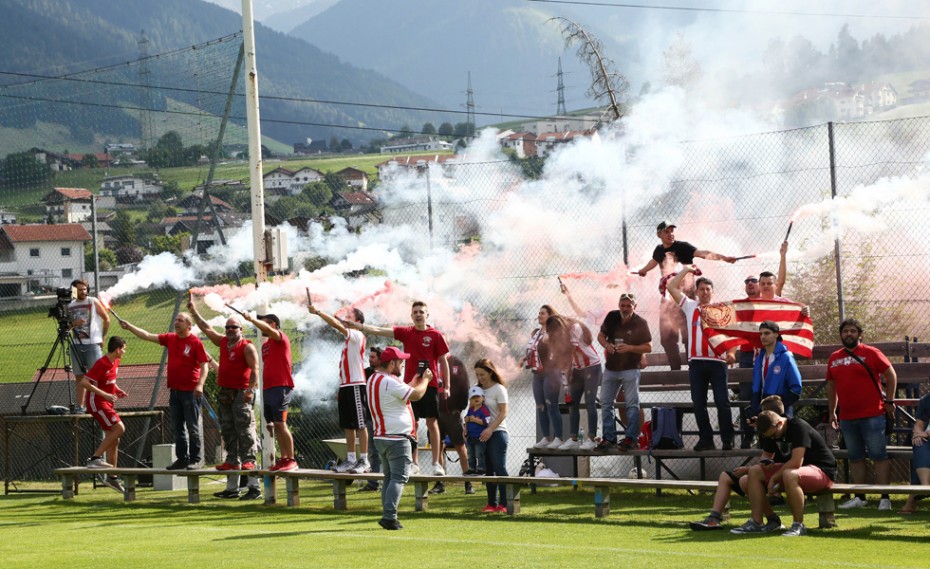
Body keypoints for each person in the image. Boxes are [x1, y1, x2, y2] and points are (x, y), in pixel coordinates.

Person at [344, 301, 451, 476]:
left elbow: (443, 361)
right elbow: (379, 330)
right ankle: (414, 464)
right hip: (409, 384)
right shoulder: (407, 332)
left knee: (432, 422)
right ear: (411, 315)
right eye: (415, 312)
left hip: (429, 384)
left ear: (427, 315)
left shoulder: (436, 335)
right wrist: (358, 326)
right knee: (413, 423)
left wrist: (446, 386)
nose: (418, 314)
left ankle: (436, 464)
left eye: (421, 312)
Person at [188, 298, 262, 500]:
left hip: (241, 393)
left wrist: (249, 390)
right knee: (228, 432)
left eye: (234, 327)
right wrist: (194, 312)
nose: (230, 330)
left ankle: (254, 487)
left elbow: (255, 370)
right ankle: (232, 488)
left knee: (245, 432)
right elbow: (206, 327)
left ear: (241, 329)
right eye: (228, 327)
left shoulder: (247, 347)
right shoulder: (222, 342)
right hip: (225, 393)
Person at [636, 222, 736, 370]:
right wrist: (643, 270)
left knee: (689, 335)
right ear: (659, 235)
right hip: (668, 298)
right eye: (666, 232)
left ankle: (693, 367)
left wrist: (724, 258)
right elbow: (654, 261)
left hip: (686, 297)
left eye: (672, 231)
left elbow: (703, 253)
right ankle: (675, 369)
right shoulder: (658, 250)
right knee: (666, 339)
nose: (670, 234)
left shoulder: (683, 247)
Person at [120, 313, 209, 469]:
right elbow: (147, 336)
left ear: (188, 325)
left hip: (190, 392)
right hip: (174, 392)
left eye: (180, 320)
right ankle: (182, 459)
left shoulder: (195, 342)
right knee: (177, 427)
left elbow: (204, 366)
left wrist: (200, 384)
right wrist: (130, 327)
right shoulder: (170, 338)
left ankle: (195, 460)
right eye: (175, 320)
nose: (176, 323)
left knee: (192, 427)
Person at [826, 318, 897, 511]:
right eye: (845, 331)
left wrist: (889, 401)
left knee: (878, 456)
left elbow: (891, 375)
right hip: (847, 417)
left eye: (852, 331)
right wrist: (832, 411)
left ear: (860, 334)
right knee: (856, 458)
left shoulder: (871, 353)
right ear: (841, 335)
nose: (849, 334)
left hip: (873, 414)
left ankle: (885, 498)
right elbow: (831, 385)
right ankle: (860, 497)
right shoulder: (834, 358)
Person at [690, 395, 790, 531]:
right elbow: (766, 457)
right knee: (726, 476)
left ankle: (767, 520)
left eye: (762, 412)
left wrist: (750, 470)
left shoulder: (790, 427)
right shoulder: (767, 429)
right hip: (766, 471)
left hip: (781, 474)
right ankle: (714, 518)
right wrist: (752, 468)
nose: (759, 415)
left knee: (745, 479)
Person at [730, 410, 837, 537]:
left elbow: (796, 462)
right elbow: (767, 458)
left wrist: (774, 478)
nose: (773, 438)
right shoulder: (770, 431)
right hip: (796, 470)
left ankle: (798, 525)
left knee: (789, 474)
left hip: (822, 470)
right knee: (750, 475)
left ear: (780, 423)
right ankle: (761, 522)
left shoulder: (798, 426)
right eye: (770, 436)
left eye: (774, 434)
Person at [667, 266, 736, 450]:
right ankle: (707, 439)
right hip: (696, 362)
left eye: (708, 289)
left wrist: (731, 353)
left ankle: (727, 439)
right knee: (699, 403)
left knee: (722, 401)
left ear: (712, 291)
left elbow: (733, 335)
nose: (705, 292)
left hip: (718, 362)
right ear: (696, 292)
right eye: (701, 289)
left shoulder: (722, 310)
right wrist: (686, 270)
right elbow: (671, 287)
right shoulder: (690, 306)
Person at [367, 346, 431, 530]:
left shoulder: (375, 378)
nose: (403, 364)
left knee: (389, 477)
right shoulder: (389, 381)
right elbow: (417, 395)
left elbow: (399, 394)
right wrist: (425, 380)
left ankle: (388, 514)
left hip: (382, 437)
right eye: (400, 361)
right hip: (396, 438)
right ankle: (389, 517)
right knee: (399, 477)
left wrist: (413, 381)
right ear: (392, 363)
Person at [308, 304, 371, 474]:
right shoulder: (348, 340)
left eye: (349, 316)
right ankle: (350, 460)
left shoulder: (357, 334)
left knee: (360, 424)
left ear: (358, 321)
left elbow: (336, 324)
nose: (345, 319)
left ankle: (364, 460)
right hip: (346, 386)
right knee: (348, 425)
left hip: (356, 385)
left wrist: (319, 311)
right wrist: (341, 388)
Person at [242, 312, 299, 472]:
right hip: (268, 389)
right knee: (275, 424)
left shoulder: (280, 337)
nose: (261, 328)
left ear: (273, 324)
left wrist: (253, 320)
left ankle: (292, 460)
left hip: (281, 387)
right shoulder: (265, 346)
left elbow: (271, 331)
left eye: (265, 323)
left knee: (281, 423)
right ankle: (284, 459)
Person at [596, 292, 652, 451]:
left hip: (630, 368)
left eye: (628, 306)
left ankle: (631, 438)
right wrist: (607, 345)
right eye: (622, 305)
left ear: (635, 306)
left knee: (632, 404)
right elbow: (600, 336)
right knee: (605, 402)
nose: (625, 308)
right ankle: (609, 438)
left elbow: (649, 346)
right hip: (611, 368)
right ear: (619, 305)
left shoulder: (640, 322)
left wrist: (630, 348)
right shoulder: (612, 316)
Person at [545, 314, 600, 450]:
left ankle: (592, 438)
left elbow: (570, 350)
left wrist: (567, 369)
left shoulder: (575, 327)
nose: (555, 333)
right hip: (577, 369)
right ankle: (573, 438)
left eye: (555, 330)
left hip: (592, 367)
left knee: (590, 402)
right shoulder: (559, 336)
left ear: (561, 325)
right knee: (572, 403)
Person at [82, 336, 129, 493]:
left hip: (107, 402)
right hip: (98, 403)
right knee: (119, 428)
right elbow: (84, 383)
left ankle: (112, 477)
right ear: (117, 350)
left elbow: (110, 381)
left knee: (115, 439)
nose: (124, 351)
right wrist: (106, 395)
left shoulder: (116, 362)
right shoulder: (101, 363)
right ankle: (94, 459)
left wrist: (116, 390)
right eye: (123, 349)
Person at [431, 355, 473, 495]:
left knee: (460, 446)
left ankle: (468, 483)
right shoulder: (431, 361)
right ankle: (439, 483)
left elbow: (464, 385)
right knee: (438, 447)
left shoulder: (456, 362)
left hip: (452, 413)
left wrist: (459, 408)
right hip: (435, 413)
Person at [68, 279, 110, 414]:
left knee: (97, 375)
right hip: (76, 345)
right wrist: (75, 323)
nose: (83, 292)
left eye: (85, 289)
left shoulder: (92, 301)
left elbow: (106, 319)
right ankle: (80, 407)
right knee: (79, 376)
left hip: (92, 344)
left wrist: (102, 337)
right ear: (74, 291)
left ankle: (100, 405)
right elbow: (66, 327)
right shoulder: (70, 305)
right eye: (80, 289)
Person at [474, 358, 509, 513]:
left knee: (499, 467)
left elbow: (503, 413)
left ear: (490, 371)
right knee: (488, 470)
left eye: (482, 374)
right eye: (477, 375)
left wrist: (490, 429)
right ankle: (491, 504)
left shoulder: (499, 389)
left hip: (498, 432)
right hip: (482, 434)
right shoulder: (476, 389)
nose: (480, 378)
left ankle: (505, 503)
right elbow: (472, 410)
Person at [526, 305, 563, 449]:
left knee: (551, 405)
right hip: (537, 373)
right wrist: (524, 358)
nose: (539, 315)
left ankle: (558, 437)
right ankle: (546, 437)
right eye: (539, 313)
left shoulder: (554, 332)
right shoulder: (536, 332)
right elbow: (533, 351)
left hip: (551, 373)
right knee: (540, 406)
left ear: (550, 315)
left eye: (543, 313)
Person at [751, 321, 802, 418]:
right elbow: (757, 386)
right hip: (762, 408)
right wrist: (755, 407)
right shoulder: (759, 358)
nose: (762, 337)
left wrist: (779, 405)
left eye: (767, 333)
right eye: (760, 334)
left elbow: (796, 388)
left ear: (776, 334)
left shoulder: (786, 357)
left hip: (782, 410)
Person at [736, 275, 761, 448]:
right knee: (745, 396)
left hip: (766, 352)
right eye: (747, 282)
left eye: (753, 281)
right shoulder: (740, 305)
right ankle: (748, 435)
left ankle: (767, 434)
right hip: (746, 354)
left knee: (767, 393)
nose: (750, 284)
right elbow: (731, 329)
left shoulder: (768, 302)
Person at [900, 392, 930, 514]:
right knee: (919, 444)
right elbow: (919, 423)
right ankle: (925, 485)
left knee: (920, 453)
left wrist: (926, 434)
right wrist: (917, 433)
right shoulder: (926, 400)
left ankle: (912, 501)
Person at [360, 347, 383, 493]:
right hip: (370, 417)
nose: (370, 359)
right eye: (370, 356)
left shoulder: (387, 373)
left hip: (384, 418)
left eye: (373, 357)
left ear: (380, 359)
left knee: (386, 450)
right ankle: (373, 483)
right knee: (373, 451)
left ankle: (390, 479)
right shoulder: (367, 372)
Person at [464, 385, 491, 475]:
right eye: (473, 397)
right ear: (470, 400)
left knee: (479, 453)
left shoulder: (484, 409)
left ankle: (481, 468)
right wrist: (466, 422)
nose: (476, 399)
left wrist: (474, 419)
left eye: (478, 396)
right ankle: (472, 468)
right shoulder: (471, 409)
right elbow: (467, 420)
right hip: (470, 436)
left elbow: (486, 421)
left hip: (480, 437)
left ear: (483, 398)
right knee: (470, 454)